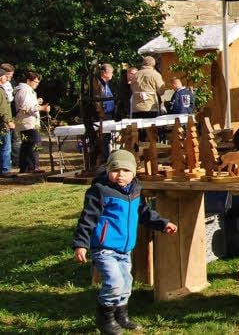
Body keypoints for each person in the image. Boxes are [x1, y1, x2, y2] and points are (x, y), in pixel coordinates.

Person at [72, 149, 177, 334]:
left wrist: (163, 223)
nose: (120, 175)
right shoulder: (100, 190)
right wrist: (81, 244)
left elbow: (143, 212)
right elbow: (87, 218)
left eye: (126, 171)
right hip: (104, 248)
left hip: (125, 248)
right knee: (114, 283)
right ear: (108, 170)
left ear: (134, 173)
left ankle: (122, 316)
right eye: (115, 170)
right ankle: (105, 318)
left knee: (126, 283)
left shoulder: (135, 189)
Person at [14, 71, 49, 173]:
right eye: (35, 82)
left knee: (27, 145)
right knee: (35, 143)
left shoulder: (26, 90)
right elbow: (26, 108)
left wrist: (36, 101)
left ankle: (25, 168)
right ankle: (33, 167)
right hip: (27, 122)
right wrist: (42, 108)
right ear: (29, 80)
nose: (37, 84)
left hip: (26, 122)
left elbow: (27, 104)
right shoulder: (25, 91)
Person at [0, 66, 15, 177]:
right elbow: (2, 109)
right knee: (6, 147)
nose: (7, 78)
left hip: (3, 122)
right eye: (6, 76)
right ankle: (5, 170)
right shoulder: (0, 91)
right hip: (3, 124)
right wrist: (8, 121)